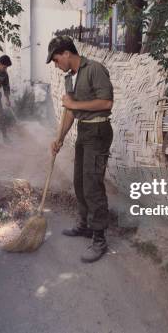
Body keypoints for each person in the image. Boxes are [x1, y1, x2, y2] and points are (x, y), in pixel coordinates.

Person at [48, 36, 114, 263]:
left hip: (98, 131)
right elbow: (70, 112)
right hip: (84, 131)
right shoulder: (70, 78)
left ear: (67, 53)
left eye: (57, 60)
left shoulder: (95, 69)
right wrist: (59, 138)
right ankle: (85, 225)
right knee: (79, 182)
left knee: (92, 185)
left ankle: (99, 239)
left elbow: (106, 103)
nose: (57, 66)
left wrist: (74, 105)